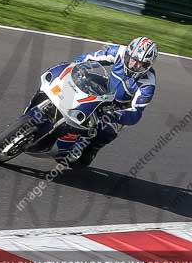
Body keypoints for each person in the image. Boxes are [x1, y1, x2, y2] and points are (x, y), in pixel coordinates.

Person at [27, 37, 158, 168]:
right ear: (128, 54)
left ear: (148, 66)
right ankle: (34, 109)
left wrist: (116, 115)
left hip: (119, 108)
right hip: (106, 87)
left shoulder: (148, 83)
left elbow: (136, 113)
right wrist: (76, 66)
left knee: (105, 131)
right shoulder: (118, 52)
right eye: (133, 60)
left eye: (141, 64)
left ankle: (89, 149)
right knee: (71, 81)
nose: (134, 65)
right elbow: (90, 57)